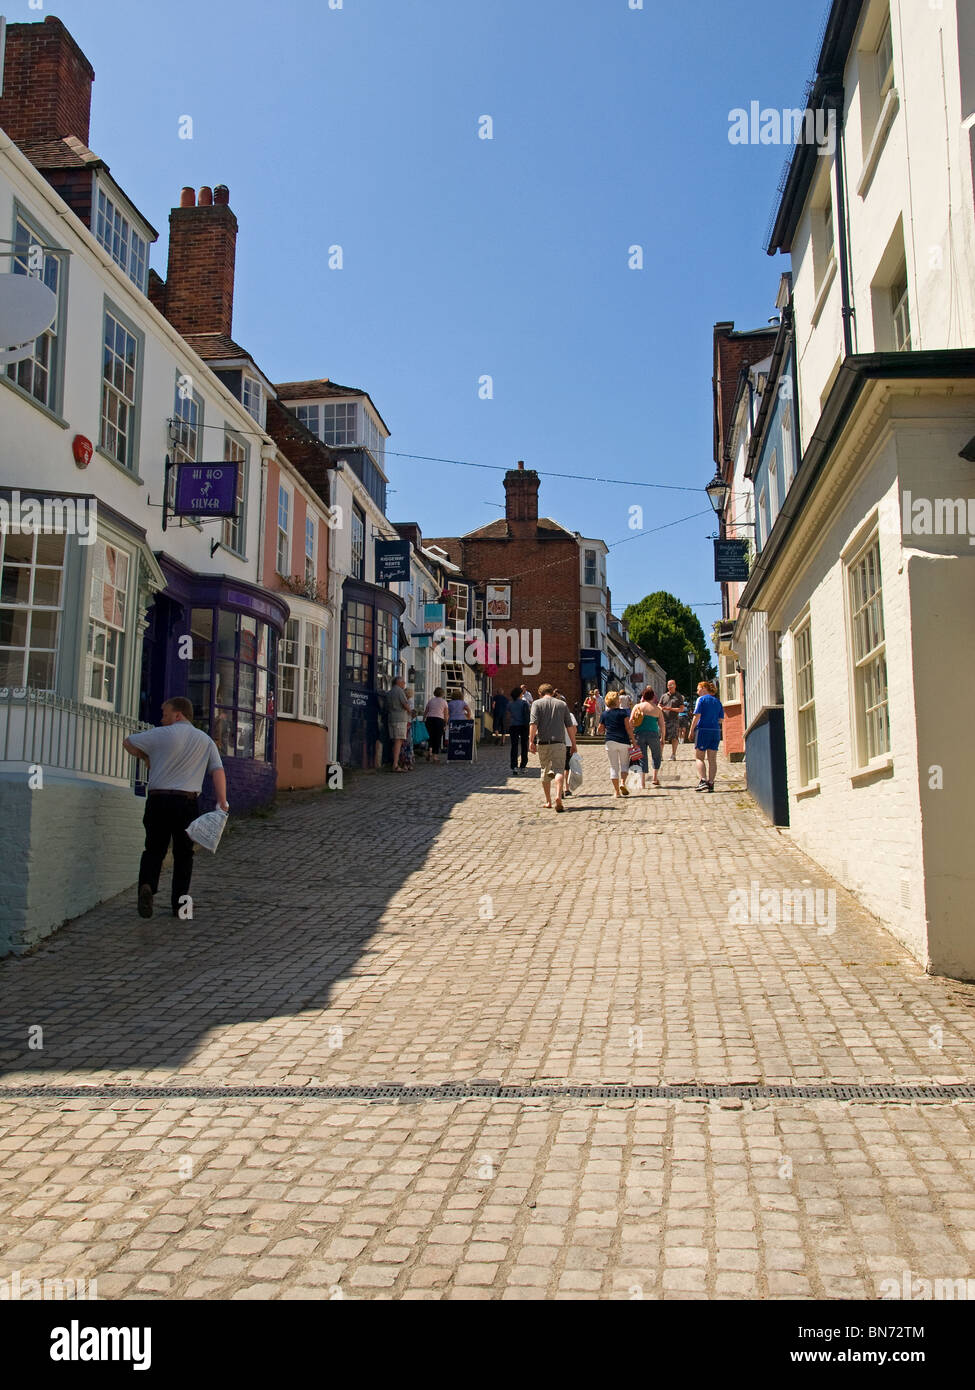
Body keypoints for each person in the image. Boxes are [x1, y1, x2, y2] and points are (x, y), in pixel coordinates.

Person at [123, 696, 228, 919]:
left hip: (158, 799)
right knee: (183, 855)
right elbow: (217, 770)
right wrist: (222, 801)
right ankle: (179, 905)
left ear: (178, 714)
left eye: (165, 714)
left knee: (153, 849)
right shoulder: (204, 740)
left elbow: (128, 742)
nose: (162, 719)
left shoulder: (159, 735)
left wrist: (145, 757)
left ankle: (148, 886)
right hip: (186, 802)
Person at [529, 683, 577, 810]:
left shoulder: (536, 704)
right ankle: (558, 796)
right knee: (559, 770)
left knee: (545, 770)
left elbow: (533, 724)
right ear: (552, 692)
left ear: (540, 693)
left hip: (543, 742)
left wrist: (531, 741)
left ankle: (548, 801)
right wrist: (573, 743)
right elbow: (569, 726)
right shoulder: (562, 704)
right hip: (559, 743)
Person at [598, 689, 637, 799]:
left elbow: (600, 730)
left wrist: (603, 727)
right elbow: (628, 728)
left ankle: (616, 792)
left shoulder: (604, 714)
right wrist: (634, 742)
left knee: (613, 767)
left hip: (610, 741)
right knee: (624, 765)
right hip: (624, 741)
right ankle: (622, 783)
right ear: (617, 701)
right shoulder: (623, 713)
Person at [689, 679, 725, 792]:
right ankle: (711, 782)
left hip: (703, 730)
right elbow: (721, 719)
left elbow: (697, 716)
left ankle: (703, 780)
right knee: (712, 759)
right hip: (715, 730)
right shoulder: (718, 701)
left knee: (699, 757)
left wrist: (691, 730)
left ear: (704, 688)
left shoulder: (701, 700)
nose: (697, 691)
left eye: (698, 688)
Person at [631, 686, 664, 790]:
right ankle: (654, 777)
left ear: (643, 696)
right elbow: (662, 725)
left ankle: (642, 783)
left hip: (639, 734)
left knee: (641, 757)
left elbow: (631, 722)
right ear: (653, 697)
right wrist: (663, 737)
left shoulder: (637, 707)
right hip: (653, 734)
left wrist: (631, 736)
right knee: (656, 755)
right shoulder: (657, 709)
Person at [552, 690, 578, 798]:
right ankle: (567, 788)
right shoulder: (570, 715)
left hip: (556, 743)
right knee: (567, 767)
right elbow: (575, 729)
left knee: (558, 767)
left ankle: (560, 789)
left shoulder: (553, 715)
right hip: (567, 743)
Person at [387, 675, 412, 773]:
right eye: (403, 682)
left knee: (395, 741)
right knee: (399, 741)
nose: (404, 684)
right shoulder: (399, 691)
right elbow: (405, 704)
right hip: (400, 719)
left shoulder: (389, 692)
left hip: (391, 718)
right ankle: (395, 765)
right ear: (399, 682)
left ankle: (395, 762)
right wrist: (410, 711)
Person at [659, 680, 686, 761]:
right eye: (669, 685)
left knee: (674, 738)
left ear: (675, 686)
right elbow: (659, 705)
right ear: (667, 686)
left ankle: (673, 755)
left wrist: (670, 708)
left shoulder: (678, 696)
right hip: (663, 720)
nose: (670, 686)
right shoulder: (664, 696)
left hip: (674, 720)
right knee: (661, 738)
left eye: (671, 685)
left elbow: (681, 709)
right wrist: (660, 708)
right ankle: (660, 756)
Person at [507, 684, 530, 774]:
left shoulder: (510, 704)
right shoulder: (524, 703)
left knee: (514, 746)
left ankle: (514, 766)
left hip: (513, 726)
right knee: (524, 746)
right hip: (523, 726)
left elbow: (509, 711)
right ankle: (523, 766)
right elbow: (528, 714)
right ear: (520, 694)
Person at [423, 687, 449, 761]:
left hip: (430, 719)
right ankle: (435, 756)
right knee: (437, 738)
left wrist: (424, 719)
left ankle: (429, 751)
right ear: (442, 694)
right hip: (439, 720)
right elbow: (446, 714)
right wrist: (445, 723)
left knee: (430, 736)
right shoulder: (444, 702)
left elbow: (426, 711)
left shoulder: (431, 701)